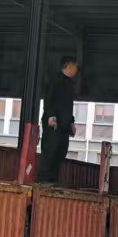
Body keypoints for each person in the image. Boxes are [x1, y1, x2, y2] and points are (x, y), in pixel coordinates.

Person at [36, 56, 79, 184]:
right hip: (54, 124)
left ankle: (53, 181)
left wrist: (71, 122)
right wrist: (51, 116)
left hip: (64, 125)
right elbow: (48, 100)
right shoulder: (55, 80)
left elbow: (68, 106)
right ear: (69, 67)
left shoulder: (69, 84)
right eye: (75, 67)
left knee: (60, 152)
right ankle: (43, 180)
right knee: (50, 151)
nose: (76, 70)